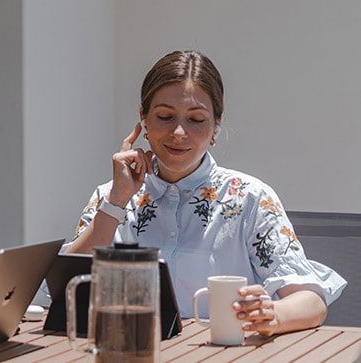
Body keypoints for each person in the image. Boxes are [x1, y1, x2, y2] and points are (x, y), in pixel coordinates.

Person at [63, 50, 346, 337]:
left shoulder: (249, 198)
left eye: (196, 120)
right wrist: (117, 202)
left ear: (216, 125)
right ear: (143, 120)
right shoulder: (112, 196)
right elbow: (65, 293)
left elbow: (311, 302)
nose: (178, 132)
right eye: (164, 116)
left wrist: (273, 315)